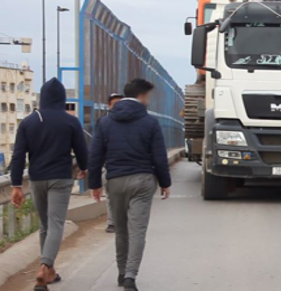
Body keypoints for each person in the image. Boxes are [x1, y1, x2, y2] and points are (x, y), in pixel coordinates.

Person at [88, 78, 171, 291]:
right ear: (142, 96)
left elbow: (96, 155)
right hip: (143, 180)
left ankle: (121, 272)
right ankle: (131, 277)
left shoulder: (105, 122)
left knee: (121, 230)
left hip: (115, 180)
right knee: (138, 231)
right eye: (149, 97)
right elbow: (159, 156)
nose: (149, 101)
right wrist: (164, 182)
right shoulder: (150, 122)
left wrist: (95, 184)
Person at [9, 78, 89, 290]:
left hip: (36, 179)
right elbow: (81, 150)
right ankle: (44, 267)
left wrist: (16, 185)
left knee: (45, 225)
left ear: (42, 97)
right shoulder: (70, 121)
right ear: (62, 99)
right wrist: (84, 167)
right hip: (60, 178)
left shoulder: (28, 121)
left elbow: (18, 156)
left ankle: (50, 271)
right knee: (55, 224)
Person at [102, 93, 124, 234]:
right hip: (109, 165)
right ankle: (112, 223)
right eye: (114, 104)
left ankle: (122, 221)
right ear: (109, 106)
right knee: (110, 196)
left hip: (126, 166)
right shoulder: (103, 122)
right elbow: (97, 147)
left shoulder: (132, 122)